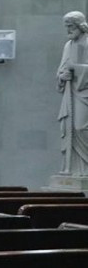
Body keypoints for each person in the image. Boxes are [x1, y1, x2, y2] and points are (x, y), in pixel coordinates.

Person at [58, 11, 88, 175]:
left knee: (80, 127)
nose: (68, 30)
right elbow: (62, 68)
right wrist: (62, 76)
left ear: (79, 26)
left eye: (70, 26)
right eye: (66, 26)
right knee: (67, 129)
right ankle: (72, 168)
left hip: (84, 93)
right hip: (70, 93)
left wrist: (76, 70)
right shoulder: (68, 46)